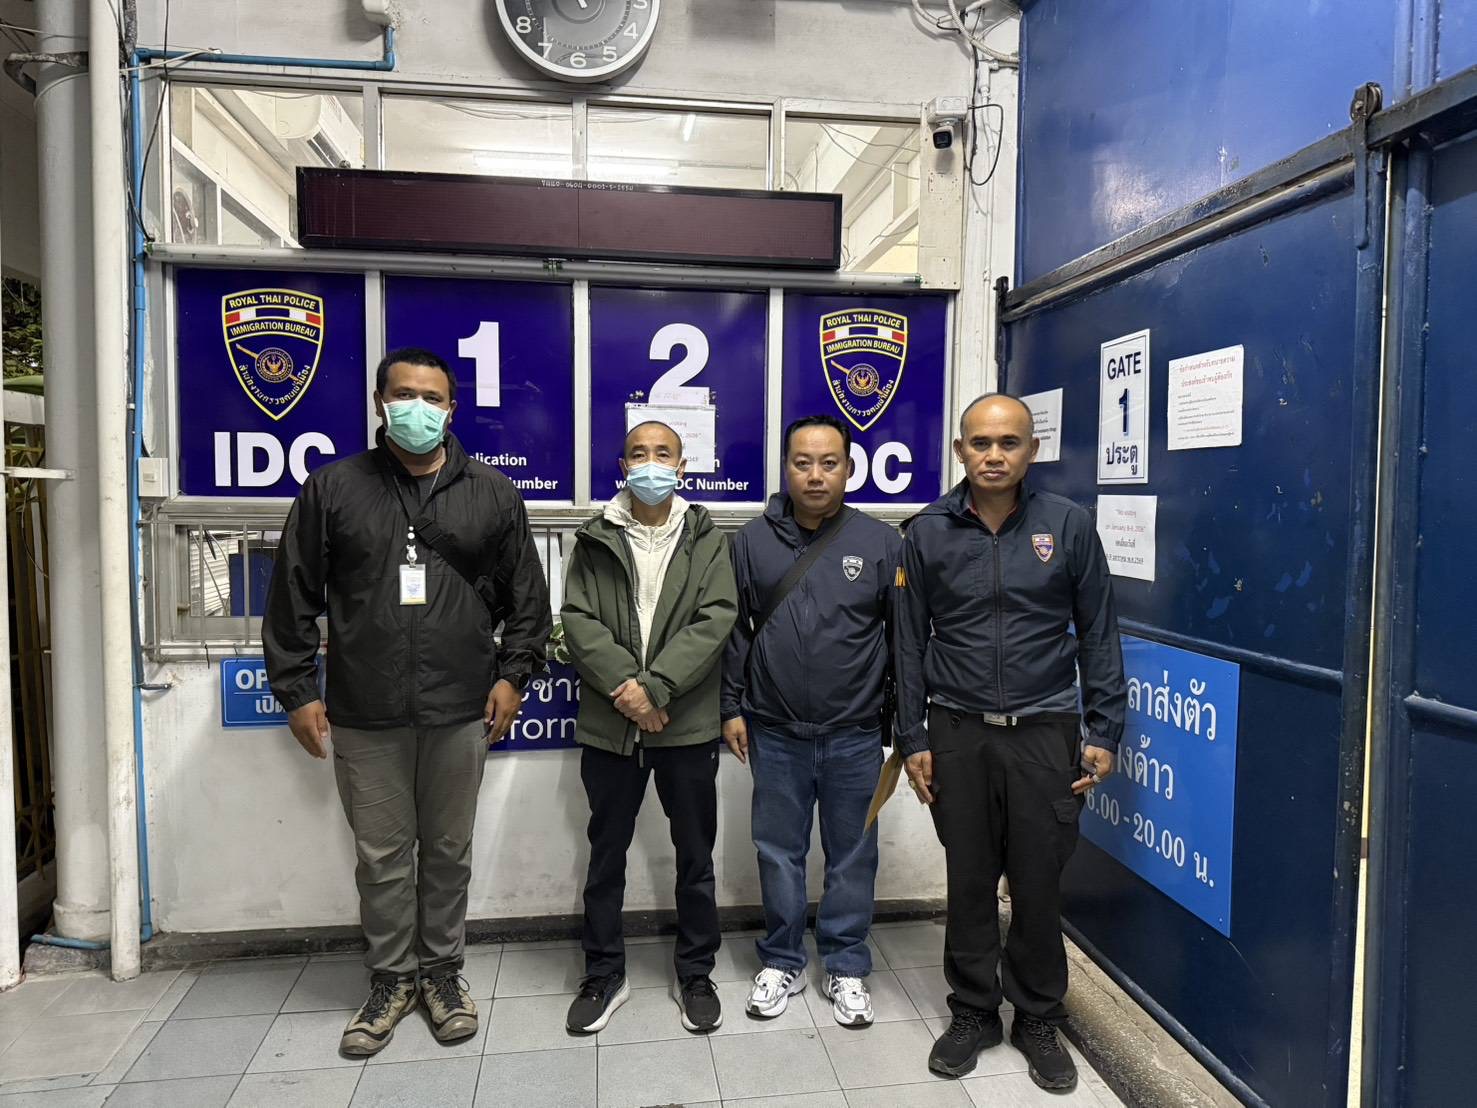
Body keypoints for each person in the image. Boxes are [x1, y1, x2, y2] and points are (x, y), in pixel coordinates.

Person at [264, 347, 551, 1055]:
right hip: (365, 708)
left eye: (432, 397)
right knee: (382, 856)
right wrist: (297, 689)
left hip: (461, 707)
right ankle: (392, 979)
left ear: (451, 409)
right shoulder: (333, 489)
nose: (417, 408)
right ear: (379, 403)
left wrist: (513, 676)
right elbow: (292, 595)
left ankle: (442, 974)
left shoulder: (492, 493)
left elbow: (528, 600)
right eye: (403, 395)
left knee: (448, 852)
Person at [894, 393, 1126, 1090]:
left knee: (1037, 881)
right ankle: (972, 1012)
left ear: (1031, 450)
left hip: (1045, 732)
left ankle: (1037, 1018)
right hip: (957, 732)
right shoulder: (926, 531)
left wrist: (1104, 727)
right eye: (980, 443)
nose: (993, 455)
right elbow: (907, 643)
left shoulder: (1067, 525)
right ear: (960, 450)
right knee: (968, 880)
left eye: (1008, 443)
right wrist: (912, 735)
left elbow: (1098, 630)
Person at [720, 414, 900, 1028]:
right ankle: (783, 958)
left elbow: (901, 640)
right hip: (774, 732)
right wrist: (731, 707)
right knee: (778, 852)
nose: (816, 475)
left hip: (855, 734)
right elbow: (734, 632)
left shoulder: (881, 543)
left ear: (849, 468)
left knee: (853, 855)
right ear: (786, 468)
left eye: (829, 463)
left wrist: (904, 726)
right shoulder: (751, 542)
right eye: (803, 463)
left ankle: (846, 965)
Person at [560, 421, 738, 1035]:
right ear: (622, 465)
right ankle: (604, 973)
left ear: (682, 467)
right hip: (611, 727)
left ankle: (696, 973)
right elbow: (578, 619)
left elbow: (715, 619)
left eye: (663, 453)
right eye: (639, 453)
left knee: (695, 856)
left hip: (685, 726)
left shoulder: (706, 537)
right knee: (605, 856)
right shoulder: (595, 537)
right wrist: (629, 692)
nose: (651, 463)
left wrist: (655, 689)